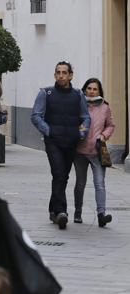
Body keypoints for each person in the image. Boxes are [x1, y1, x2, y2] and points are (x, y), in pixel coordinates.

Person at [31, 61, 91, 229]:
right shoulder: (46, 93)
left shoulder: (78, 94)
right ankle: (61, 212)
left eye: (64, 72)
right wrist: (48, 131)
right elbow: (36, 116)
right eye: (58, 72)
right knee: (58, 173)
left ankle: (52, 209)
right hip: (53, 142)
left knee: (63, 176)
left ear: (70, 75)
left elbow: (86, 117)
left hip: (71, 141)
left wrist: (81, 133)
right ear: (55, 74)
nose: (61, 75)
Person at [74, 78, 115, 227]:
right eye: (89, 88)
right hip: (80, 151)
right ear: (85, 89)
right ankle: (78, 212)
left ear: (99, 91)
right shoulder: (78, 105)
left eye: (95, 89)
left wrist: (104, 135)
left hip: (97, 152)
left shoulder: (105, 107)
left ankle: (101, 214)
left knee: (100, 184)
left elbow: (111, 125)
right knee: (80, 183)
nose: (91, 91)